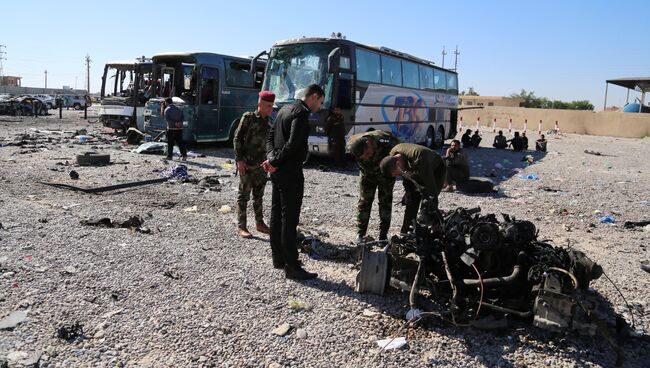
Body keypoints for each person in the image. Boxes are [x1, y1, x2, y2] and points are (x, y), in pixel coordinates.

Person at [262, 84, 324, 280]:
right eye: (320, 102)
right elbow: (293, 144)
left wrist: (271, 159)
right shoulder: (301, 113)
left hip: (278, 171)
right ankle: (292, 265)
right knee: (289, 219)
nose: (320, 107)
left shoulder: (285, 109)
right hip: (290, 172)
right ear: (313, 97)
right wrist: (274, 161)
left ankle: (278, 258)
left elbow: (271, 136)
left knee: (276, 214)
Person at [233, 91, 275, 239]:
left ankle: (259, 223)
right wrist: (239, 160)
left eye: (272, 106)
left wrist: (270, 161)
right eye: (268, 106)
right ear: (260, 104)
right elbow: (237, 138)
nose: (270, 109)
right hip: (247, 164)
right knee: (243, 196)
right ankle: (242, 226)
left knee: (259, 196)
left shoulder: (270, 122)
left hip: (261, 166)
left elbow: (271, 144)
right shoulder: (249, 118)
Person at [379, 143, 446, 234]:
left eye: (397, 174)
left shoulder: (419, 158)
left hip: (435, 169)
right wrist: (408, 191)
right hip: (416, 168)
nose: (398, 175)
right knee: (411, 201)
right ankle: (406, 233)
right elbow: (405, 175)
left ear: (398, 164)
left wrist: (432, 204)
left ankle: (432, 232)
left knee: (427, 203)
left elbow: (431, 188)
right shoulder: (393, 156)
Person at [348, 130, 400, 243]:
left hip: (386, 174)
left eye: (367, 154)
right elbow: (361, 160)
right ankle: (360, 233)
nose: (367, 157)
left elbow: (400, 154)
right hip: (367, 174)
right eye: (363, 157)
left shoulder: (385, 141)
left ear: (368, 143)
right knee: (364, 202)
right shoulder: (354, 146)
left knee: (385, 203)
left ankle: (383, 235)